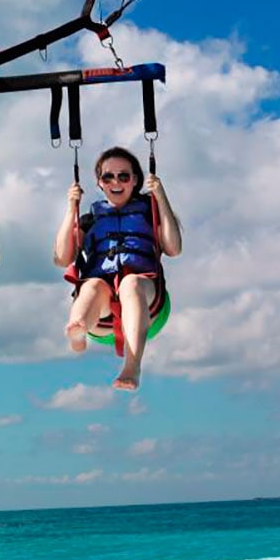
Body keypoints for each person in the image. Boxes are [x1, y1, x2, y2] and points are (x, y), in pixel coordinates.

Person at [53, 146, 182, 391]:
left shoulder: (148, 212)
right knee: (92, 284)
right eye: (108, 176)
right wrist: (71, 208)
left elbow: (173, 248)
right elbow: (62, 257)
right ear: (99, 183)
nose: (116, 182)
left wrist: (161, 197)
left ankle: (132, 366)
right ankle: (78, 327)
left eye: (124, 176)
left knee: (130, 283)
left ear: (135, 180)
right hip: (101, 314)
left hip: (147, 302)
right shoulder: (91, 218)